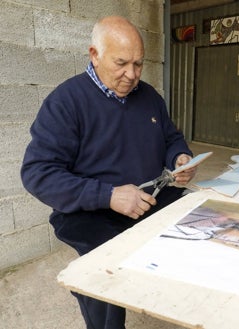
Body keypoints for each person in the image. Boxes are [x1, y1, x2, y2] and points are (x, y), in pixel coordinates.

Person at [21, 16, 196, 329]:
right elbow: (37, 173)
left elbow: (171, 137)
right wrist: (109, 195)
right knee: (105, 273)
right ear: (94, 54)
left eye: (139, 64)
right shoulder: (66, 101)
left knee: (201, 221)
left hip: (149, 195)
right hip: (89, 211)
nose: (132, 75)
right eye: (121, 63)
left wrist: (180, 157)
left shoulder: (149, 97)